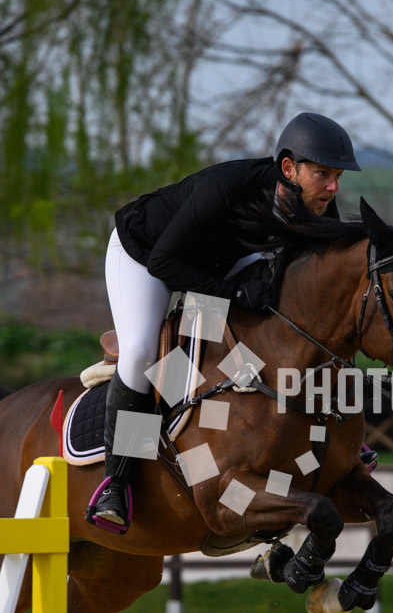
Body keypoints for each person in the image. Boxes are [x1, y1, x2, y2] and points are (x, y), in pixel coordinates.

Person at [90, 112, 362, 533]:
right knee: (142, 351)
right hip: (145, 254)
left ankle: (332, 434)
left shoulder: (317, 206)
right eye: (323, 174)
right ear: (288, 168)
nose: (333, 187)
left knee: (274, 321)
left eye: (337, 176)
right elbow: (165, 263)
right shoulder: (226, 189)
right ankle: (117, 479)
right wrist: (232, 293)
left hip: (217, 260)